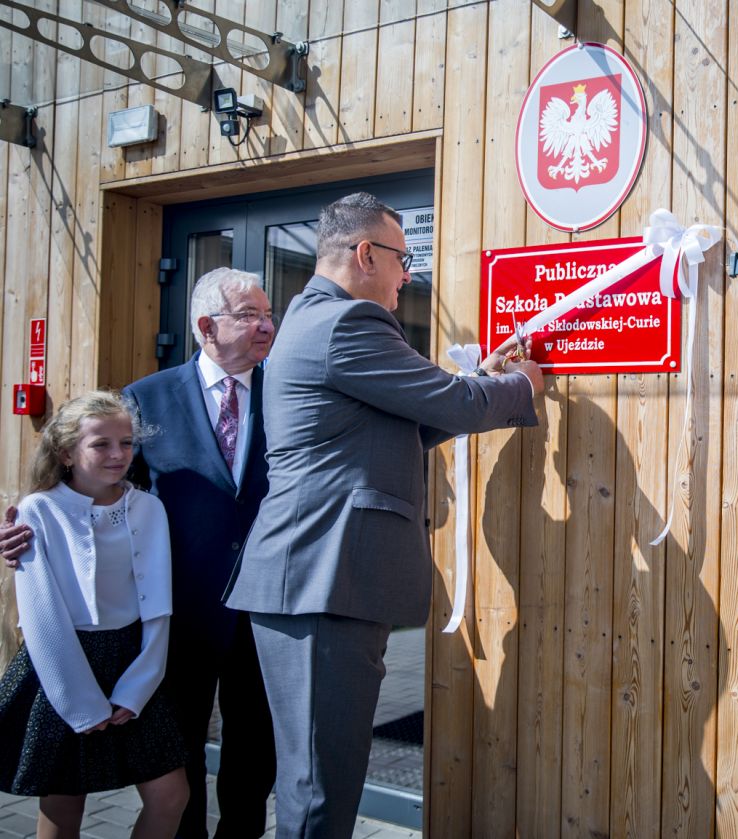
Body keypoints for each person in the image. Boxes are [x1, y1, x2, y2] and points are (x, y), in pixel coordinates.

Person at [223, 191, 543, 838]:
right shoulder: (348, 322)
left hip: (318, 579)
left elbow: (409, 425)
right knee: (320, 789)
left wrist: (483, 380)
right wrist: (521, 385)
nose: (408, 275)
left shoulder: (316, 318)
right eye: (403, 259)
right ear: (366, 254)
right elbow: (452, 404)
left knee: (321, 779)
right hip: (321, 579)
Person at [0, 268, 278, 839]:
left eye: (268, 314)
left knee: (255, 752)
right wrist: (30, 532)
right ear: (206, 326)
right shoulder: (145, 398)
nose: (267, 326)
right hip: (179, 616)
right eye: (250, 315)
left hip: (267, 609)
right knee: (178, 759)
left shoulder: (289, 394)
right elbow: (106, 497)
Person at [0, 390, 189, 838]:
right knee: (64, 805)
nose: (118, 454)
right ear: (67, 452)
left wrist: (140, 684)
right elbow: (43, 616)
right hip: (62, 666)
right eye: (100, 444)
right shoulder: (39, 510)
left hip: (133, 663)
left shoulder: (148, 507)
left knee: (170, 795)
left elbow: (158, 605)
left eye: (126, 443)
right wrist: (80, 703)